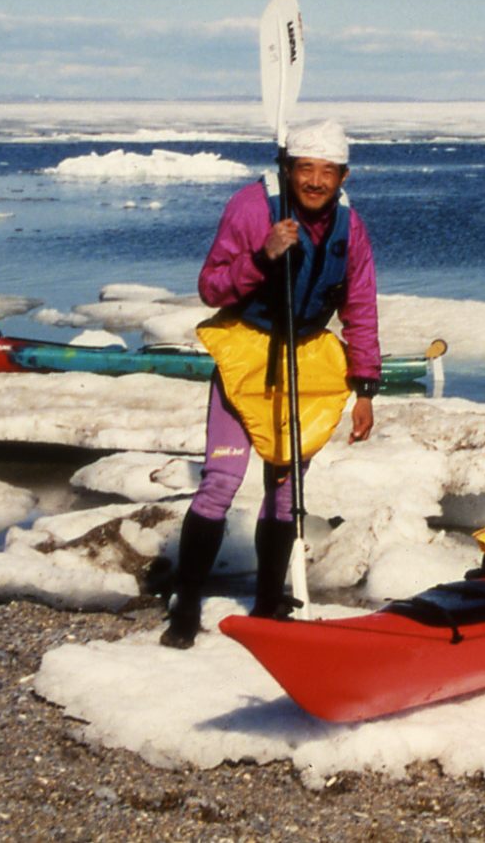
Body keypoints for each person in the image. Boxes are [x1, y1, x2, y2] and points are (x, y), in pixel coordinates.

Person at [161, 119, 380, 649]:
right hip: (248, 352)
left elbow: (360, 306)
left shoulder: (351, 228)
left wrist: (366, 389)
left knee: (286, 494)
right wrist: (262, 257)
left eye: (328, 172)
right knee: (221, 480)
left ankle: (265, 605)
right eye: (305, 168)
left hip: (305, 356)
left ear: (343, 176)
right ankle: (186, 605)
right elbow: (211, 286)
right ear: (289, 168)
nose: (315, 181)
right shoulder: (251, 208)